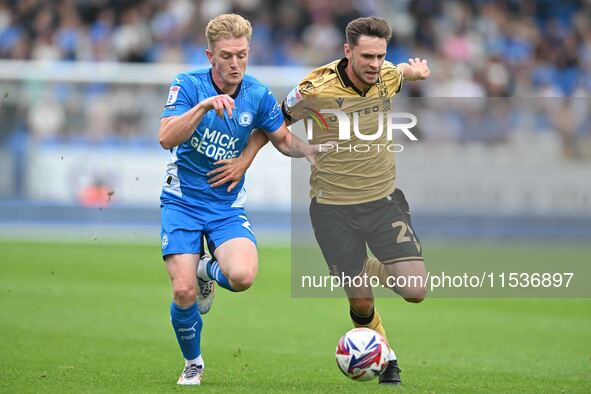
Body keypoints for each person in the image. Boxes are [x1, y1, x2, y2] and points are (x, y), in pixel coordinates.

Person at [213, 16, 430, 385]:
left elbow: (401, 72)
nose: (375, 65)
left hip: (382, 202)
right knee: (361, 301)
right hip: (333, 209)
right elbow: (271, 123)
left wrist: (415, 71)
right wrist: (243, 162)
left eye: (381, 56)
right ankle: (386, 355)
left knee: (414, 290)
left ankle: (365, 268)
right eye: (367, 57)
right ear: (347, 52)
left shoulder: (388, 75)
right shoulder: (315, 88)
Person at [158, 13, 316, 385]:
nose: (235, 63)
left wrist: (311, 151)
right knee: (182, 292)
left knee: (243, 276)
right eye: (227, 55)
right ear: (210, 55)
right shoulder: (188, 85)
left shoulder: (257, 94)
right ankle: (193, 361)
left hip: (225, 206)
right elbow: (166, 137)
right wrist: (202, 108)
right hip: (182, 201)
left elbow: (281, 139)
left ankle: (205, 270)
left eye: (242, 55)